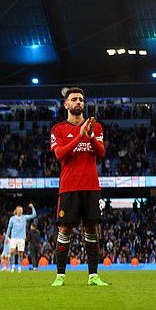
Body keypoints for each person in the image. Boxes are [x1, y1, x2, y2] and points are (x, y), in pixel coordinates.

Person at [50, 87, 108, 287]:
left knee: (91, 228)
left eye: (81, 100)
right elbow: (59, 154)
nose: (78, 102)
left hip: (91, 186)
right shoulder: (58, 129)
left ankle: (93, 276)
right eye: (74, 99)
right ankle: (60, 275)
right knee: (65, 229)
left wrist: (90, 135)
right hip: (69, 187)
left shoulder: (96, 127)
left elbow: (100, 153)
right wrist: (79, 136)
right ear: (66, 105)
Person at [5, 203, 36, 273]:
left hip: (21, 238)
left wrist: (32, 207)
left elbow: (34, 215)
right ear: (16, 211)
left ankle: (19, 266)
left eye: (21, 210)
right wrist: (6, 237)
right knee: (12, 251)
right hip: (13, 237)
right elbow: (9, 228)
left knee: (20, 253)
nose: (21, 211)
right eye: (19, 210)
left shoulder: (24, 217)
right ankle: (12, 266)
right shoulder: (12, 219)